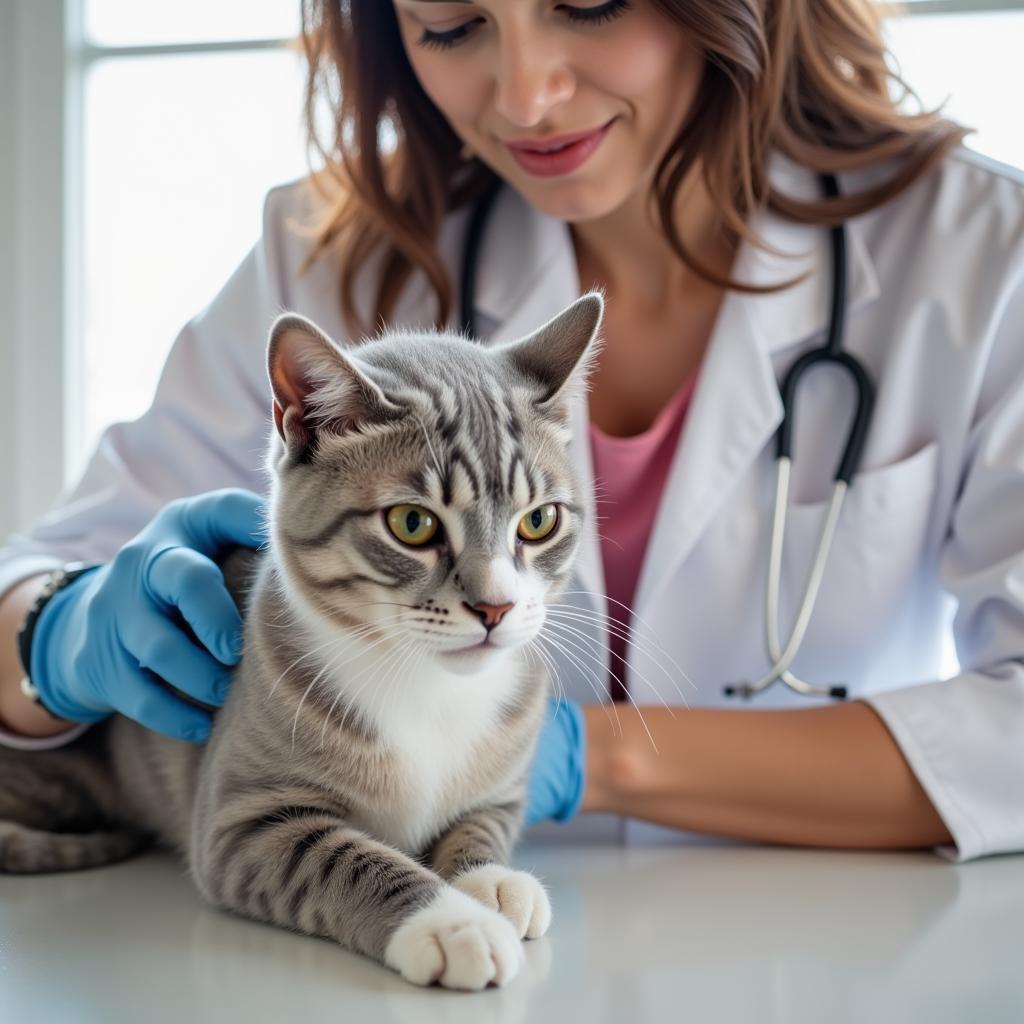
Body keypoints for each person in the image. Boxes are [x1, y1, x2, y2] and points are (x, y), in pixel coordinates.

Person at [1, 0, 1022, 864]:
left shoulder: (977, 255)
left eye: (588, 5)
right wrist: (55, 636)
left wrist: (592, 755)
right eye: (452, 26)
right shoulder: (326, 253)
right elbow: (35, 590)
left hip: (833, 955)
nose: (524, 95)